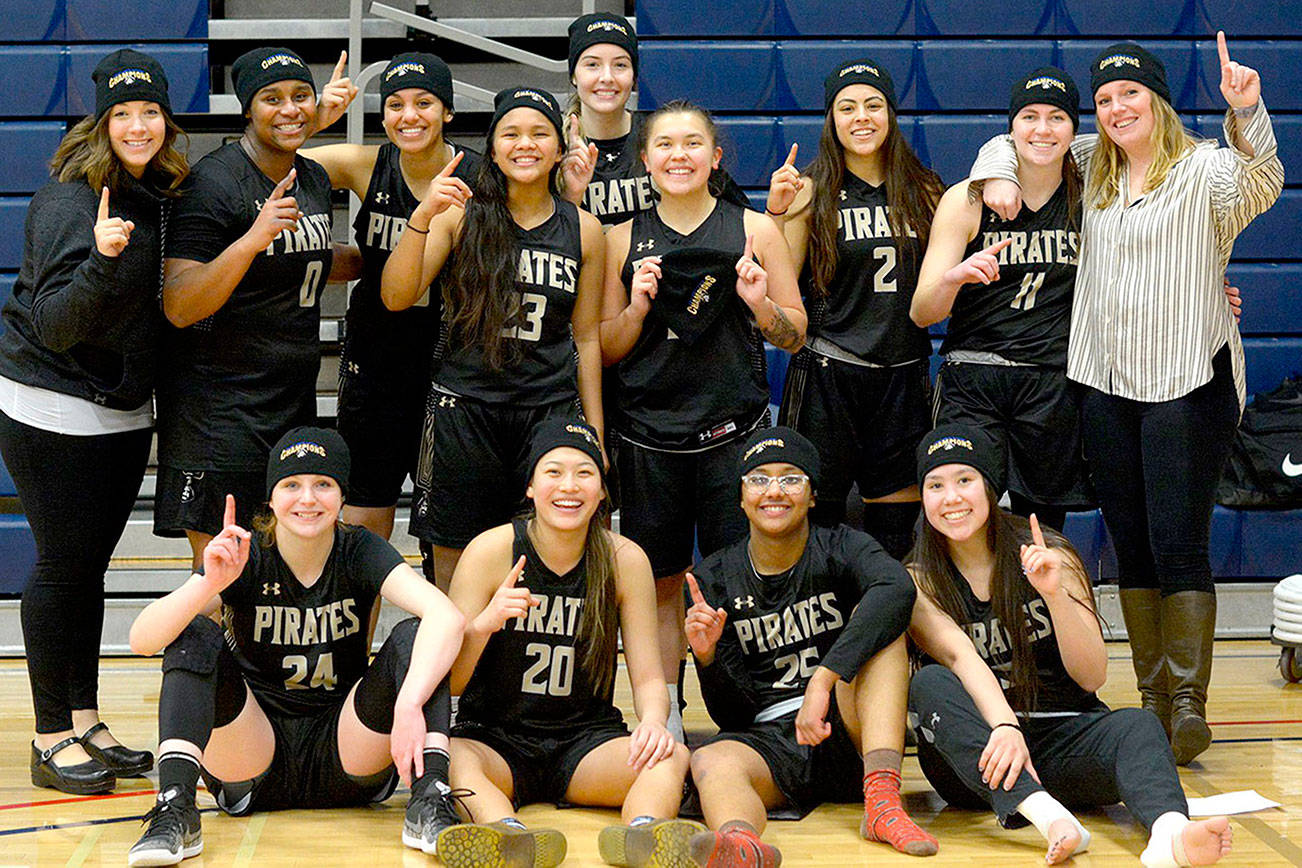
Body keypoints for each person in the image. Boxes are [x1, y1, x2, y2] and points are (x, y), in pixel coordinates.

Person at [967, 35, 1283, 763]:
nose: (1115, 109)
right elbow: (1014, 141)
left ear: (1158, 101)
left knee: (1178, 540)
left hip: (1188, 381)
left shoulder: (1204, 168)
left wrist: (1248, 110)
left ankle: (1188, 702)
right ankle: (1151, 700)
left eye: (1130, 94)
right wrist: (999, 177)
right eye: (1104, 99)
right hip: (1106, 382)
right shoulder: (1089, 167)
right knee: (1130, 542)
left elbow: (1262, 180)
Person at [125, 427, 465, 866]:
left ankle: (431, 798)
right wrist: (208, 584)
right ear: (271, 498)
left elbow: (447, 617)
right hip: (253, 750)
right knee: (193, 633)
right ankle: (175, 808)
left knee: (417, 636)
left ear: (342, 496)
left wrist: (409, 703)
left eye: (323, 484)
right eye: (291, 485)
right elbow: (142, 639)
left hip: (346, 747)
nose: (307, 499)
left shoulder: (360, 549)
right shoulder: (248, 553)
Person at [906, 424, 1234, 867]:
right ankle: (1051, 818)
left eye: (965, 480)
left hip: (1064, 739)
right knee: (930, 683)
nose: (952, 498)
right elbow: (960, 657)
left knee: (1139, 725)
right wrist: (1004, 727)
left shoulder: (1050, 552)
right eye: (936, 485)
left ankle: (1171, 834)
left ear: (990, 487)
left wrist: (1055, 595)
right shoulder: (918, 580)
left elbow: (1092, 676)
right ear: (922, 496)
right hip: (977, 756)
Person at [0, 49, 187, 794]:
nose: (138, 126)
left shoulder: (155, 189)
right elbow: (54, 324)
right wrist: (104, 261)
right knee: (61, 565)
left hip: (119, 406)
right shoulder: (71, 200)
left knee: (88, 568)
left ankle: (85, 718)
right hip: (53, 402)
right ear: (101, 121)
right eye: (123, 114)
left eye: (151, 112)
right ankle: (49, 737)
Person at [601, 100, 805, 740]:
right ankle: (662, 716)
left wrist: (760, 303)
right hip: (647, 438)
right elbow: (604, 346)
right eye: (665, 144)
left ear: (715, 157)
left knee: (733, 580)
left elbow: (795, 333)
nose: (679, 155)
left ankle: (744, 715)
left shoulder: (755, 229)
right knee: (660, 584)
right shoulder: (618, 237)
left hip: (732, 437)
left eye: (693, 143)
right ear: (645, 160)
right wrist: (635, 309)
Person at [438, 419, 698, 868]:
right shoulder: (490, 551)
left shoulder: (624, 559)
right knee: (451, 755)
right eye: (553, 472)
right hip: (494, 740)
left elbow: (648, 677)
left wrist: (656, 722)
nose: (569, 486)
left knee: (671, 755)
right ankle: (508, 837)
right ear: (530, 487)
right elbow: (451, 684)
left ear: (601, 492)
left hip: (585, 742)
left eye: (584, 473)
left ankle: (642, 836)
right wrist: (484, 624)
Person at [382, 85, 605, 590]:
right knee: (454, 563)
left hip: (548, 411)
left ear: (558, 149)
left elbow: (587, 338)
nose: (525, 144)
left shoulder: (585, 229)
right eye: (511, 134)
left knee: (546, 559)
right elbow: (396, 297)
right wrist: (421, 217)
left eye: (539, 133)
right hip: (465, 408)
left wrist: (593, 430)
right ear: (493, 148)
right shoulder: (458, 215)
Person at [684, 426, 935, 865]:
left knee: (883, 634)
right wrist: (708, 659)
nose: (774, 491)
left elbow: (897, 589)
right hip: (769, 742)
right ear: (741, 497)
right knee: (710, 760)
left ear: (813, 495)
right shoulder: (713, 579)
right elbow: (734, 715)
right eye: (758, 479)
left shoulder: (842, 546)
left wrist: (823, 678)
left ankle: (882, 804)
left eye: (790, 478)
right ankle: (740, 845)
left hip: (846, 729)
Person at [154, 46, 360, 565]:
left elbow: (308, 256)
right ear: (247, 108)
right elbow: (179, 304)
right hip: (219, 414)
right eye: (272, 98)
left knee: (278, 567)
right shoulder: (211, 183)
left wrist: (398, 252)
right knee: (219, 575)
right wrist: (250, 240)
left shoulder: (311, 177)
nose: (289, 108)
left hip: (290, 405)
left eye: (301, 96)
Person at [766, 58, 944, 561]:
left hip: (902, 376)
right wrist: (775, 214)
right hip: (829, 375)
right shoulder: (808, 191)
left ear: (890, 114)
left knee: (896, 533)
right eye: (847, 107)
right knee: (815, 523)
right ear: (831, 119)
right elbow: (777, 285)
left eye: (872, 105)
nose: (861, 117)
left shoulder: (926, 190)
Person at [302, 51, 479, 541]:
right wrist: (317, 119)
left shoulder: (483, 176)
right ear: (382, 116)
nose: (409, 116)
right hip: (376, 368)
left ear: (448, 111)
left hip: (453, 370)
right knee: (363, 521)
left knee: (447, 532)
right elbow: (270, 164)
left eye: (424, 103)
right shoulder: (365, 165)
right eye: (395, 104)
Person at [911, 67, 1091, 533]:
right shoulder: (967, 199)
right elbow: (922, 312)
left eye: (1057, 118)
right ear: (1011, 127)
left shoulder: (1091, 199)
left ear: (1074, 130)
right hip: (974, 377)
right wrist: (954, 279)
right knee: (960, 518)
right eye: (1029, 117)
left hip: (1050, 380)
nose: (1043, 129)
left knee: (1042, 528)